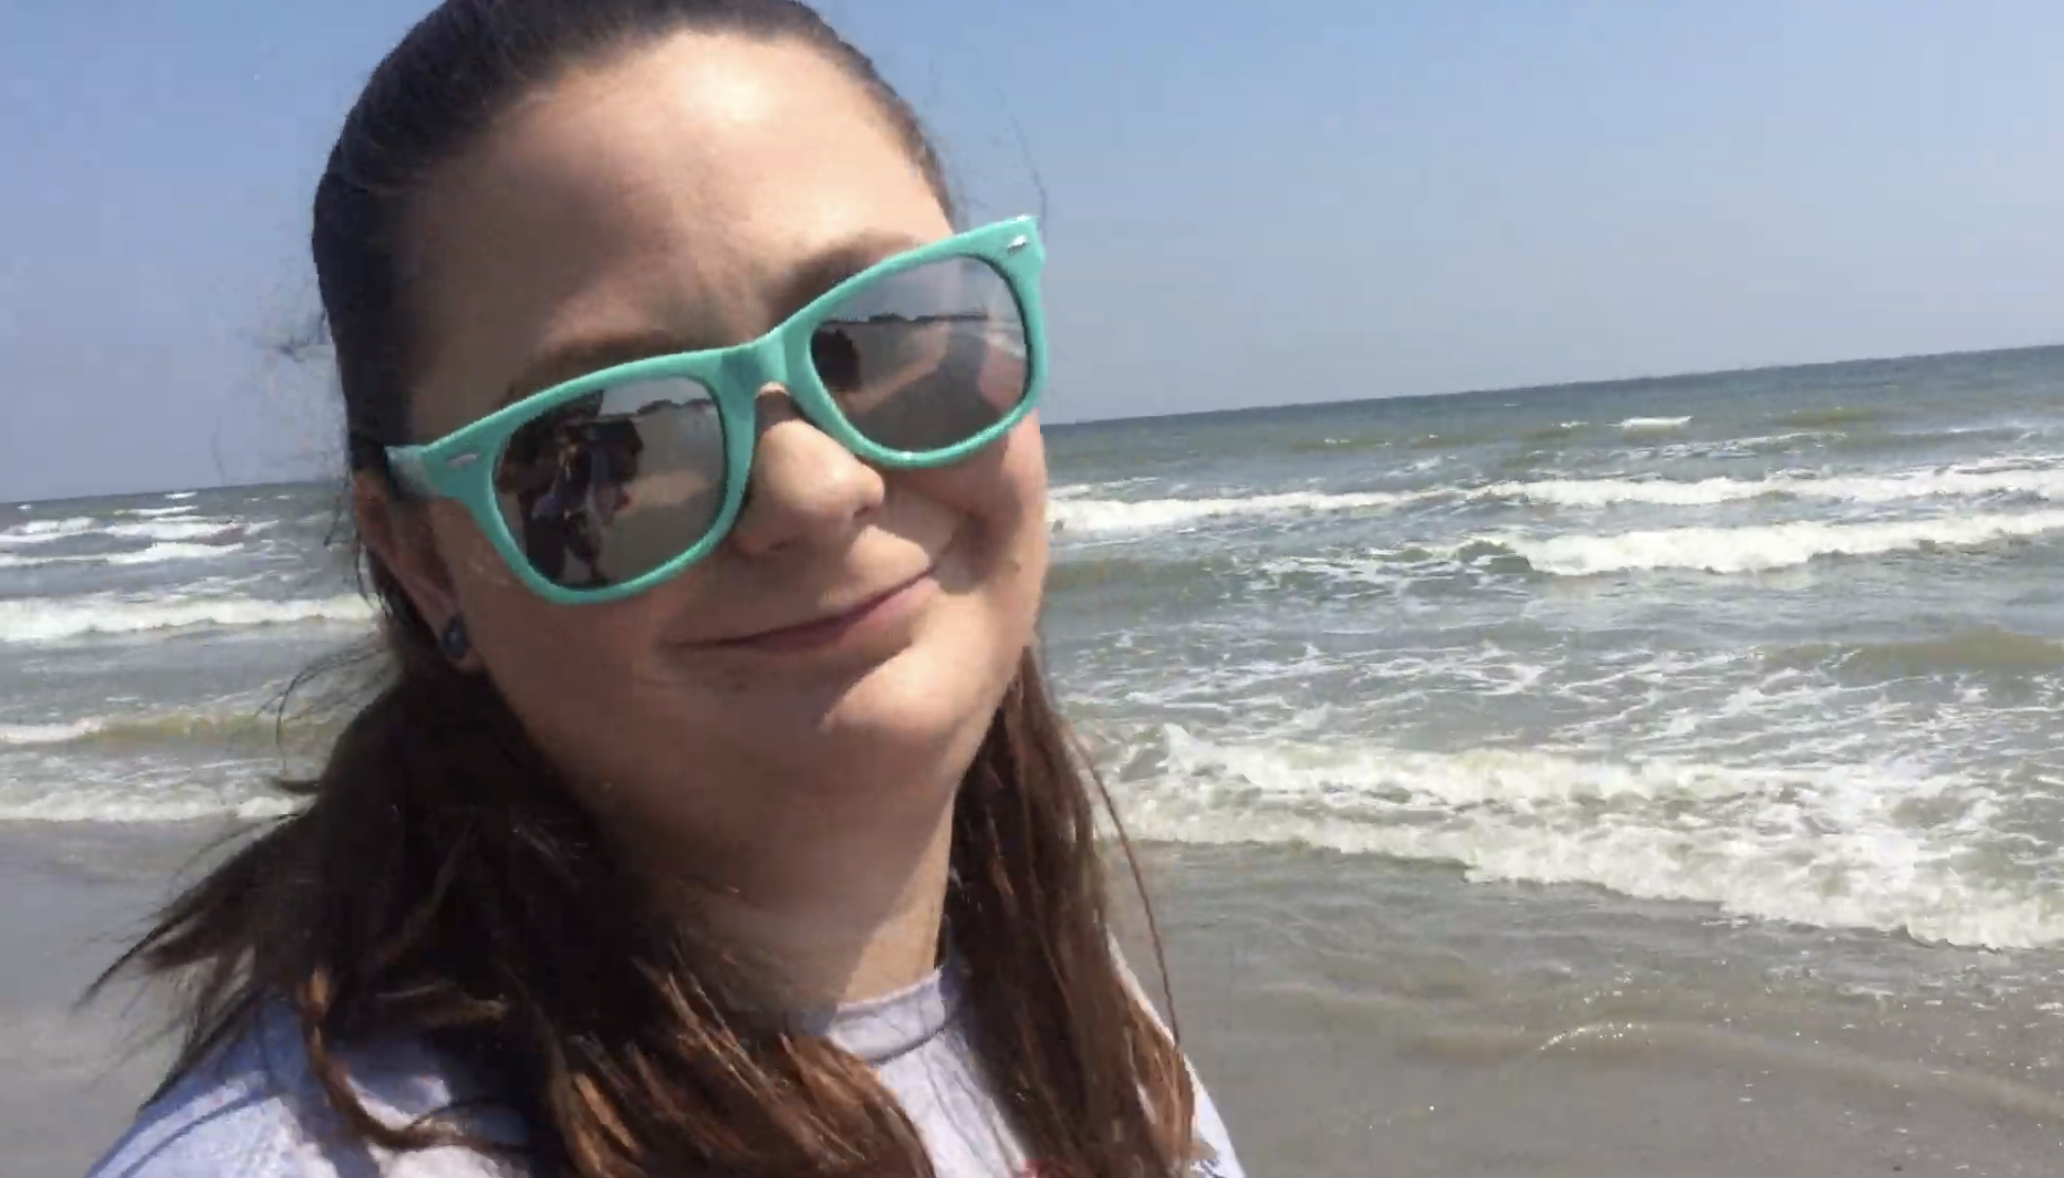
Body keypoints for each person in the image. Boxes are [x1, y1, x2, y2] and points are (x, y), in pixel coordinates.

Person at [83, 2, 1246, 1176]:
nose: (814, 485)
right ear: (425, 556)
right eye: (605, 441)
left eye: (883, 336)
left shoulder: (1083, 1029)